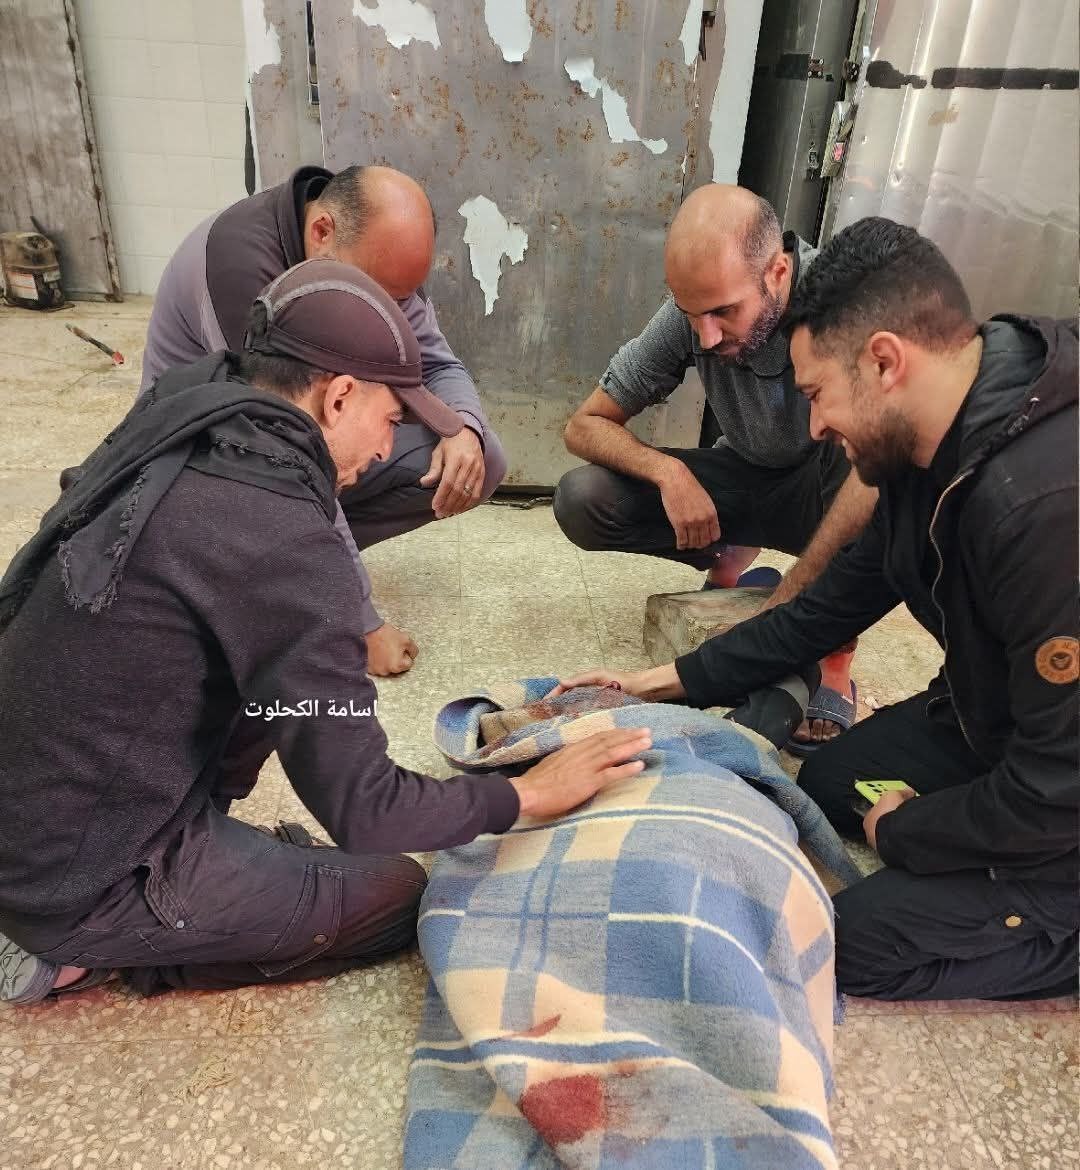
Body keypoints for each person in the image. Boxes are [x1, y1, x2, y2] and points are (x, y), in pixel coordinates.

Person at [0, 260, 650, 1004]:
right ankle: (79, 953)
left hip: (37, 807)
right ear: (338, 397)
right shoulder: (281, 533)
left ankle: (179, 851)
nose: (387, 449)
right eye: (391, 420)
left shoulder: (189, 407)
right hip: (76, 878)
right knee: (395, 894)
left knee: (272, 677)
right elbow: (366, 808)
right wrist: (526, 795)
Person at [549, 218, 1079, 1002]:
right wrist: (652, 684)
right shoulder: (932, 444)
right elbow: (824, 609)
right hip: (996, 715)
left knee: (846, 946)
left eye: (817, 397)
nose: (816, 428)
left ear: (885, 362)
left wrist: (908, 830)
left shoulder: (1041, 509)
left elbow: (1057, 786)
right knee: (832, 782)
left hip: (1061, 792)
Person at [141, 163, 508, 677]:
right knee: (307, 464)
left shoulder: (372, 251)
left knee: (477, 460)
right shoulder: (240, 273)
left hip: (280, 440)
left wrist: (463, 428)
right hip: (204, 458)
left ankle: (297, 559)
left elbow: (438, 366)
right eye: (382, 293)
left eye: (400, 299)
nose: (392, 308)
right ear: (321, 232)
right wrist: (358, 624)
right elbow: (285, 450)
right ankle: (285, 566)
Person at [553, 184, 878, 752]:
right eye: (691, 314)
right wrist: (669, 473)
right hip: (746, 468)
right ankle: (729, 554)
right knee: (584, 498)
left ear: (778, 272)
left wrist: (774, 627)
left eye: (725, 312)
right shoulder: (697, 307)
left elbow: (876, 478)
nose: (706, 335)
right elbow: (584, 425)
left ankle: (834, 665)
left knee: (861, 475)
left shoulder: (841, 306)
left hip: (829, 489)